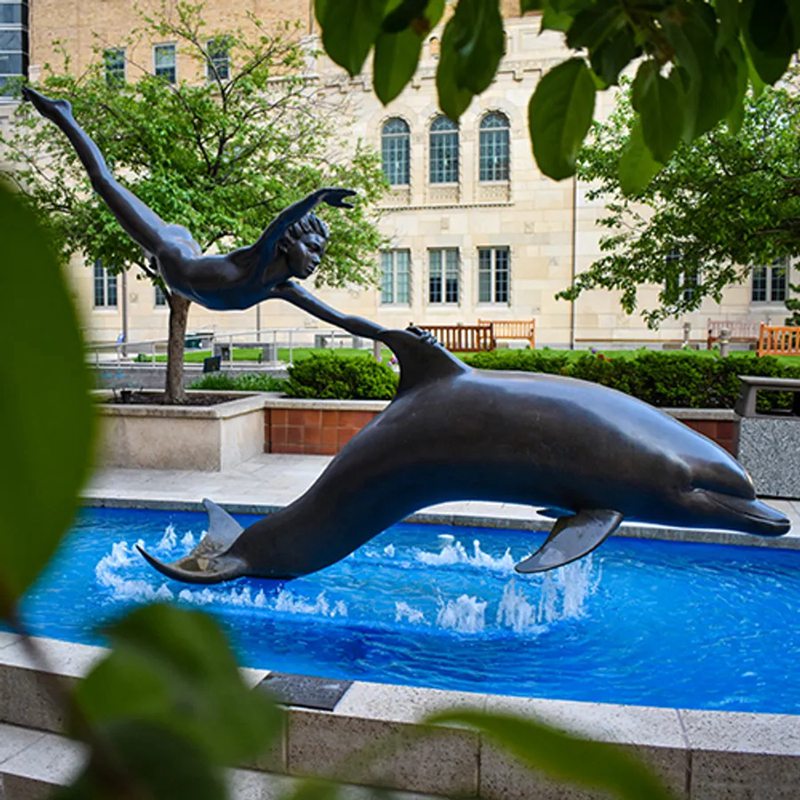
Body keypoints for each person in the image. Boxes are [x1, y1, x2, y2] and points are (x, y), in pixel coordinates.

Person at [22, 87, 384, 339]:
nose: (317, 259)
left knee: (108, 188)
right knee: (104, 184)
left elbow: (343, 319)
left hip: (188, 254)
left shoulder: (282, 289)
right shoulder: (257, 259)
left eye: (320, 253)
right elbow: (282, 220)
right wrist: (318, 196)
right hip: (170, 249)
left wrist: (395, 335)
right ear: (290, 242)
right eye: (313, 247)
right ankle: (62, 114)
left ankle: (63, 114)